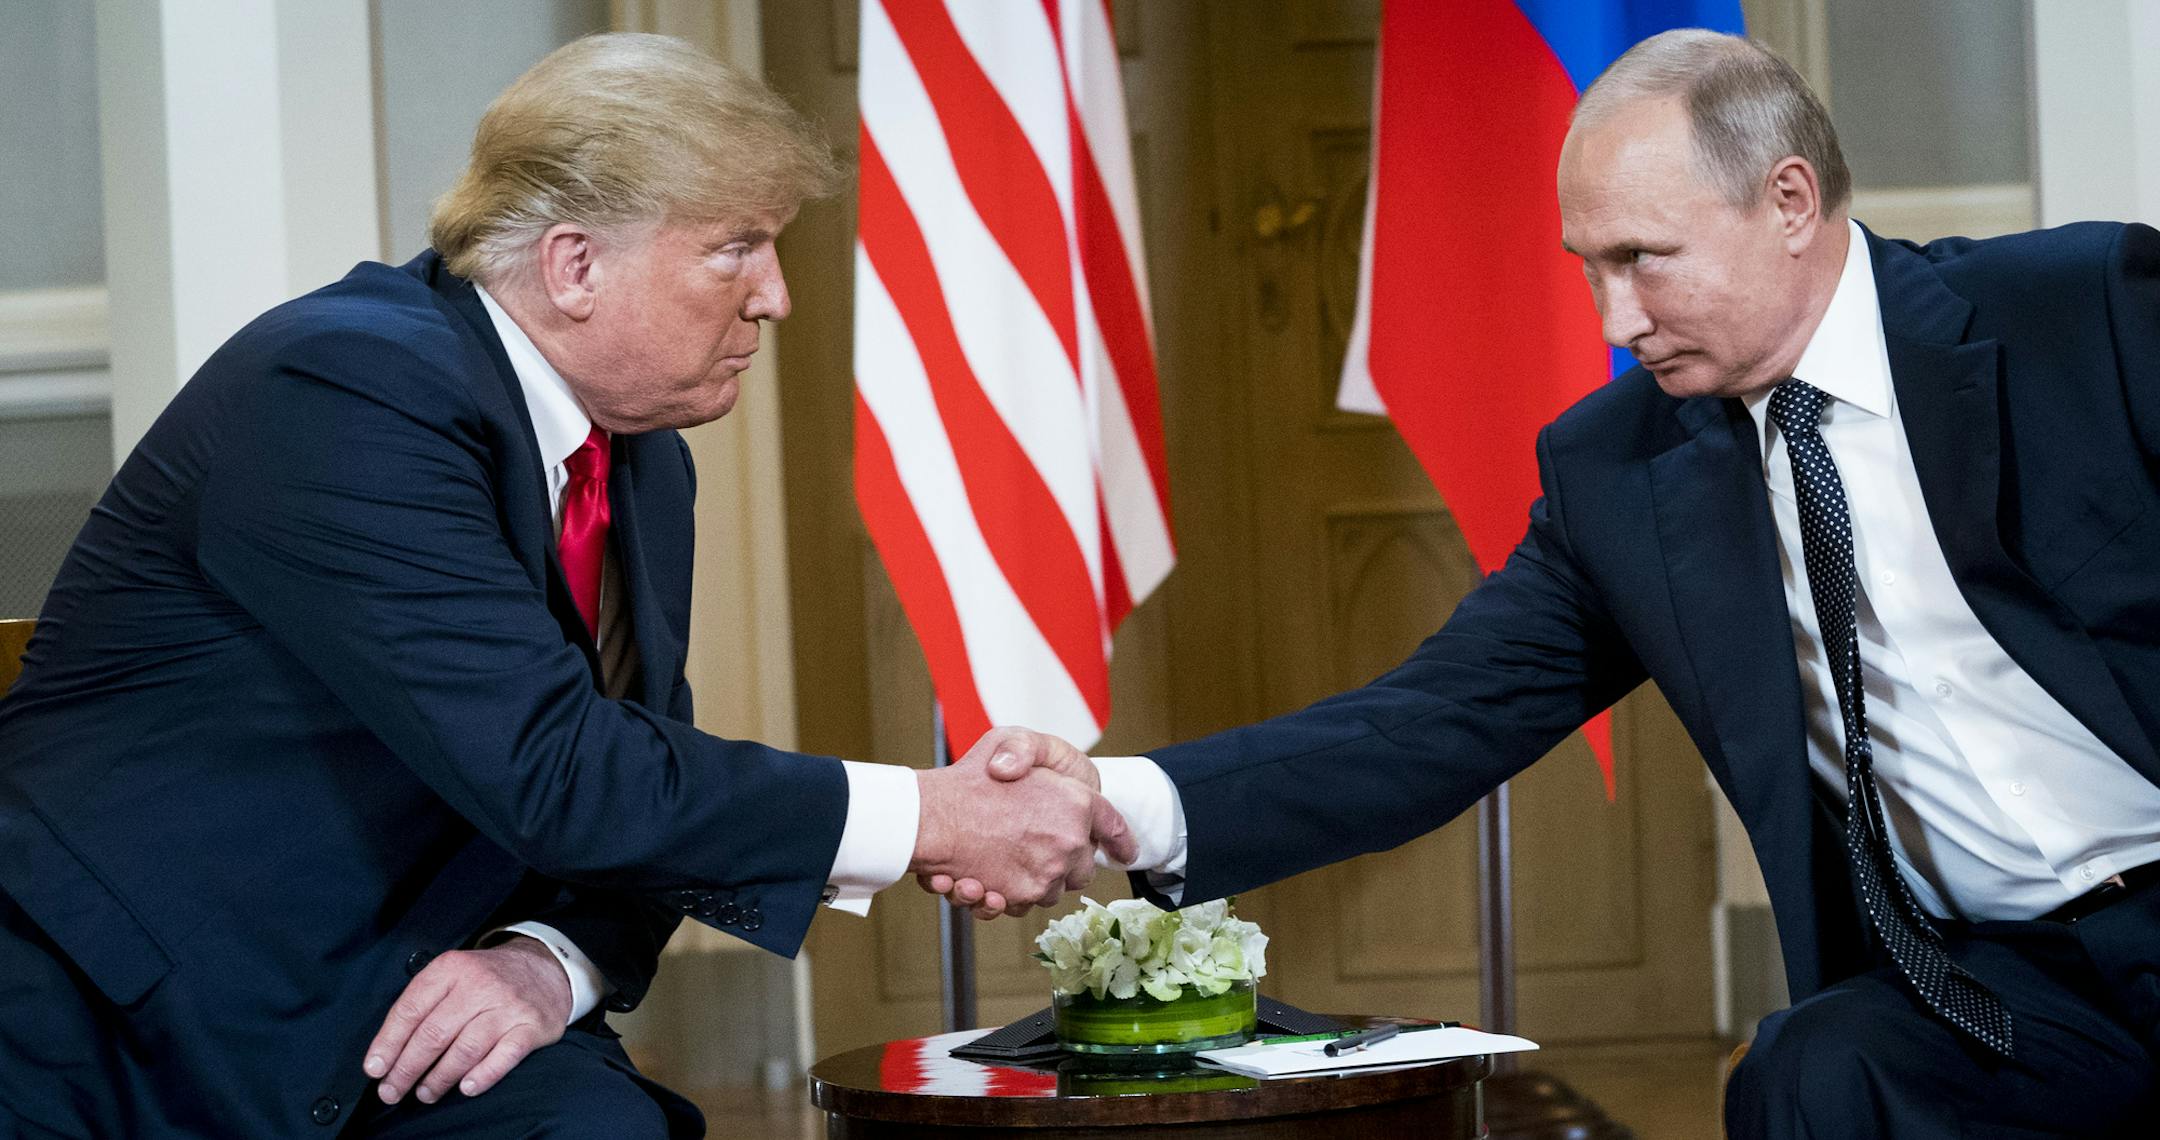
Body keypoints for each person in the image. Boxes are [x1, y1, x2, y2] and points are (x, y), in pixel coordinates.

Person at [952, 29, 2160, 1138]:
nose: (1613, 317)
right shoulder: (1623, 469)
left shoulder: (2085, 314)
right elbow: (1435, 719)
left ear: (1789, 201)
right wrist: (1124, 799)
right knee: (1813, 1069)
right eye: (1590, 268)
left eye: (1644, 261)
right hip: (1997, 985)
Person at [0, 34, 1130, 1139]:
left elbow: (641, 783)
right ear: (574, 263)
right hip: (120, 1020)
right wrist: (927, 815)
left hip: (411, 1003)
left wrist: (552, 964)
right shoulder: (344, 388)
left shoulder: (640, 460)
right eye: (736, 248)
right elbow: (560, 769)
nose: (775, 296)